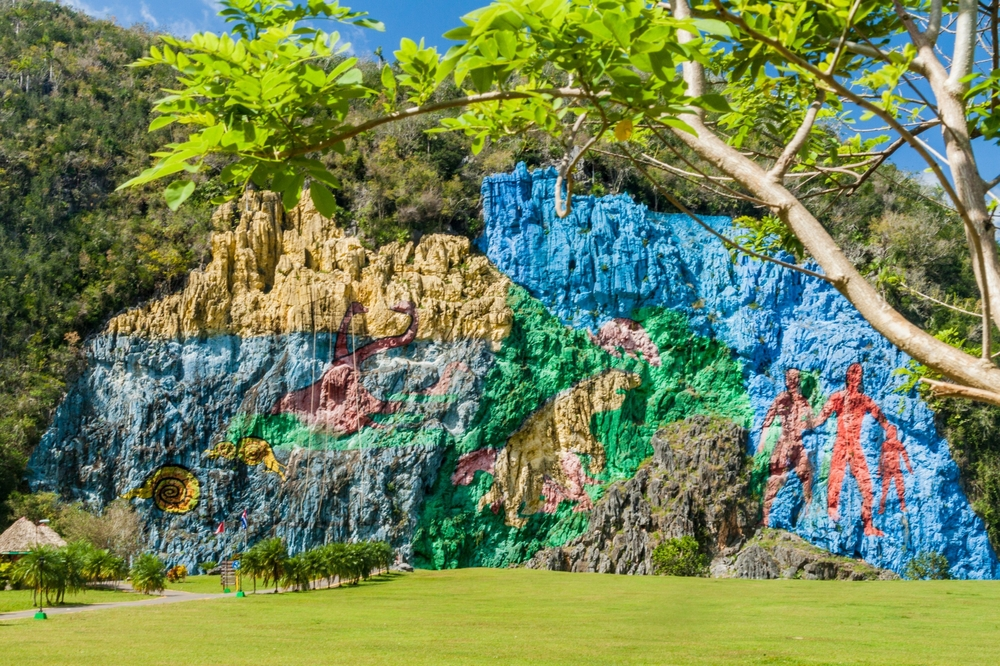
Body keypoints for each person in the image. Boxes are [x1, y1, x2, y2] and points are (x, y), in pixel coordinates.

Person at [811, 363, 890, 537]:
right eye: (852, 373)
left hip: (855, 445)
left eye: (858, 374)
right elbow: (821, 418)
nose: (855, 377)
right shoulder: (837, 397)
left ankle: (868, 525)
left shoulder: (865, 400)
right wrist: (806, 424)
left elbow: (882, 418)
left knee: (866, 485)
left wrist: (890, 431)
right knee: (835, 480)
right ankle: (831, 513)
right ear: (847, 377)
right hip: (840, 443)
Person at [758, 368, 814, 526]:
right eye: (790, 378)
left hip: (799, 444)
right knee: (776, 478)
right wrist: (762, 441)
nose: (793, 380)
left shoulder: (804, 402)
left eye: (796, 377)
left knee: (806, 475)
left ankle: (808, 516)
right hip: (785, 443)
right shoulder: (782, 398)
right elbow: (768, 418)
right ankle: (766, 516)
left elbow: (812, 423)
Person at [878, 424, 913, 514]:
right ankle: (884, 508)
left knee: (895, 488)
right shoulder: (890, 444)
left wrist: (909, 468)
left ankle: (900, 506)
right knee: (890, 489)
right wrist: (909, 468)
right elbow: (882, 458)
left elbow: (881, 458)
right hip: (891, 469)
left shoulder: (891, 444)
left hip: (892, 469)